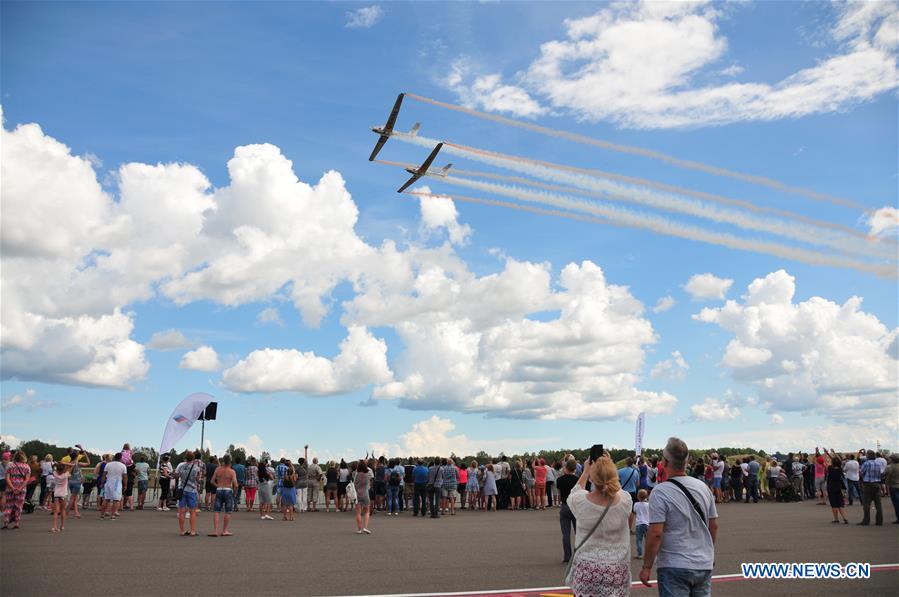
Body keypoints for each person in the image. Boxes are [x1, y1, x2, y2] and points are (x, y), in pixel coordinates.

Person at [640, 437, 719, 596]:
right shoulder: (703, 487)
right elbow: (713, 525)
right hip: (703, 563)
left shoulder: (660, 492)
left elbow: (656, 533)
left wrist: (647, 566)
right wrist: (708, 552)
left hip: (674, 564)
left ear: (665, 462)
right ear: (686, 461)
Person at [566, 453, 632, 596]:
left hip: (587, 569)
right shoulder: (625, 501)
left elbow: (574, 492)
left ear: (592, 478)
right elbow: (618, 490)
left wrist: (585, 471)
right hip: (615, 569)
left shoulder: (580, 501)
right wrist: (608, 467)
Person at [175, 450, 203, 535]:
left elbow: (176, 475)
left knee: (181, 511)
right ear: (193, 458)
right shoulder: (196, 468)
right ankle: (193, 531)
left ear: (185, 458)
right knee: (192, 511)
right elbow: (198, 479)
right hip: (192, 490)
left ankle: (182, 531)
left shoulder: (181, 466)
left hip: (182, 489)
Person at [556, 459, 578, 563]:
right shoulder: (578, 480)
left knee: (566, 534)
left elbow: (560, 494)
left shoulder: (560, 480)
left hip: (565, 505)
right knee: (578, 533)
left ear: (566, 467)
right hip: (576, 506)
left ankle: (567, 556)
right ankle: (578, 555)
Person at [210, 453, 237, 535]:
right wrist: (235, 493)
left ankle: (215, 531)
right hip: (228, 490)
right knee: (228, 511)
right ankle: (224, 531)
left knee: (216, 511)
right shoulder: (232, 471)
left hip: (219, 490)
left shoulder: (218, 469)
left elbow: (212, 481)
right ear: (230, 461)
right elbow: (236, 485)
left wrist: (218, 485)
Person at [2, 451, 31, 530]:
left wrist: (12, 488)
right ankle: (16, 523)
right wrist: (20, 488)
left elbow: (7, 478)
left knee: (9, 505)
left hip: (10, 488)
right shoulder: (27, 466)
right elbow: (27, 479)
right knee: (19, 506)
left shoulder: (10, 466)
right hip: (22, 489)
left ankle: (6, 522)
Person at [859, 449, 883, 526]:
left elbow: (861, 472)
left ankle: (866, 520)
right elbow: (881, 474)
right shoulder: (878, 464)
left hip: (868, 484)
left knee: (866, 503)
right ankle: (879, 521)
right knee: (878, 504)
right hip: (877, 484)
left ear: (868, 456)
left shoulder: (866, 463)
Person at [101, 452, 127, 520]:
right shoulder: (123, 466)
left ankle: (102, 515)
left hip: (108, 483)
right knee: (116, 500)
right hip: (117, 484)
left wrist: (102, 483)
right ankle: (112, 515)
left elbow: (104, 475)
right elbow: (125, 477)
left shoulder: (108, 464)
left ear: (115, 457)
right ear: (121, 458)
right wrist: (125, 485)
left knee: (106, 499)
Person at [826, 456, 849, 524]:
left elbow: (827, 463)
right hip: (838, 488)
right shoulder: (840, 469)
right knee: (840, 504)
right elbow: (838, 461)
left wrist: (826, 454)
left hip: (831, 488)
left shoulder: (830, 468)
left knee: (834, 504)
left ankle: (836, 519)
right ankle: (844, 518)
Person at [618, 457, 638, 531]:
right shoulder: (635, 472)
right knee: (631, 511)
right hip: (632, 492)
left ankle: (621, 527)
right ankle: (629, 528)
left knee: (621, 509)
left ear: (625, 463)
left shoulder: (620, 471)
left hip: (623, 492)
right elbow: (637, 483)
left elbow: (617, 482)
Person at [353, 459, 372, 534]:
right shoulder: (368, 474)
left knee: (358, 512)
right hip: (365, 493)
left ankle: (359, 529)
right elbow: (369, 485)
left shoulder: (356, 474)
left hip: (357, 494)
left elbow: (354, 484)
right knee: (367, 511)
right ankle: (365, 527)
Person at [50, 462, 69, 532]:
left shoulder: (55, 474)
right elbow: (70, 467)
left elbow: (52, 467)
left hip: (56, 494)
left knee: (56, 511)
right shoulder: (66, 475)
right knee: (63, 510)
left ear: (57, 469)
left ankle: (54, 526)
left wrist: (56, 464)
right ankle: (62, 526)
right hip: (64, 494)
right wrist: (64, 464)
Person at [635, 489, 650, 559]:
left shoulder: (636, 504)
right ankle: (648, 553)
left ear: (638, 496)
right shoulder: (648, 505)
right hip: (647, 523)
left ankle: (640, 554)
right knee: (647, 540)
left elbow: (634, 511)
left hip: (639, 524)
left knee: (639, 540)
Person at [885, 454, 899, 524]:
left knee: (896, 503)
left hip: (893, 486)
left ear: (892, 459)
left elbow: (883, 473)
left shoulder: (889, 467)